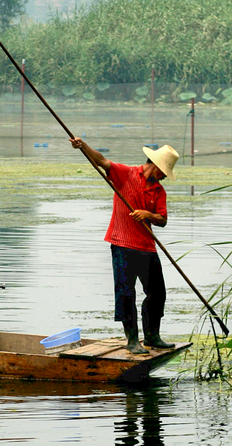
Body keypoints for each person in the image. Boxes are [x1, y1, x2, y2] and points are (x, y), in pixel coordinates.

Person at [69, 137, 179, 354]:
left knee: (157, 293)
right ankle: (132, 340)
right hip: (122, 244)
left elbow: (163, 220)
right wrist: (83, 146)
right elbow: (101, 161)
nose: (165, 176)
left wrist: (149, 215)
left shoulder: (159, 191)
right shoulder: (127, 174)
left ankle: (152, 336)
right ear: (155, 165)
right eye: (164, 171)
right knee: (126, 293)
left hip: (147, 247)